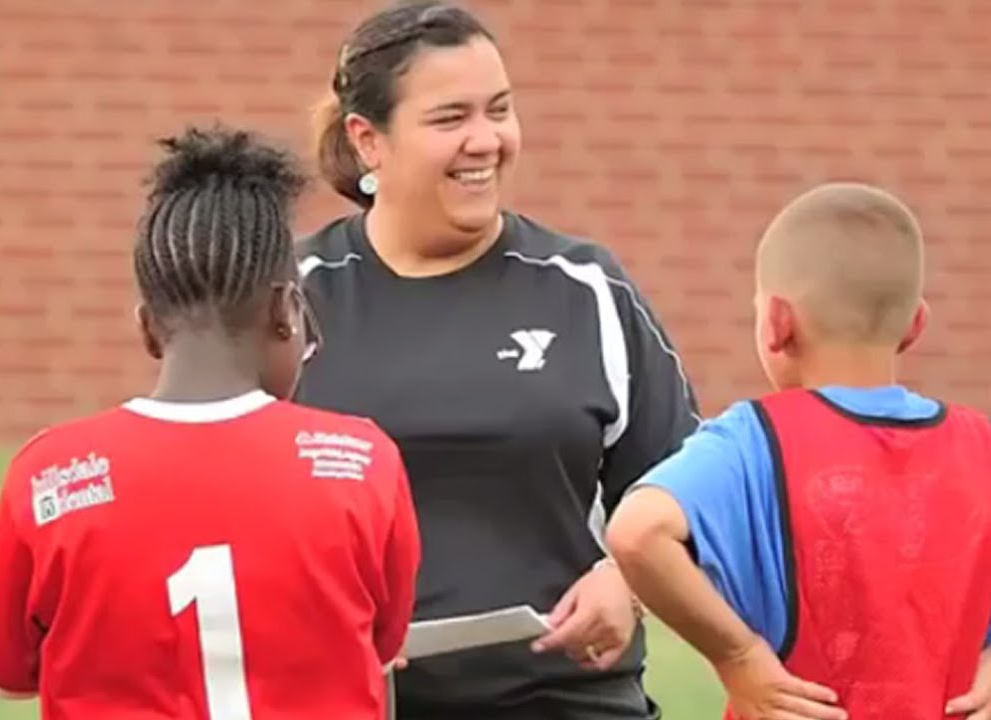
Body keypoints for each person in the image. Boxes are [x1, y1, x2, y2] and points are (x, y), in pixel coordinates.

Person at [605, 182, 991, 720]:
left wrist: (738, 656)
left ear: (777, 323)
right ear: (915, 325)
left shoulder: (749, 443)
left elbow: (637, 532)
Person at [293, 1, 700, 717]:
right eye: (450, 118)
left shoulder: (584, 289)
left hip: (567, 700)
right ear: (368, 140)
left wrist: (626, 580)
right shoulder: (289, 298)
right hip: (350, 702)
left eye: (500, 110)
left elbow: (692, 490)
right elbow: (219, 505)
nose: (486, 141)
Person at [0, 126, 422, 720]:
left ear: (146, 327)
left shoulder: (48, 473)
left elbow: (4, 674)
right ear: (285, 310)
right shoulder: (363, 460)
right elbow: (383, 645)